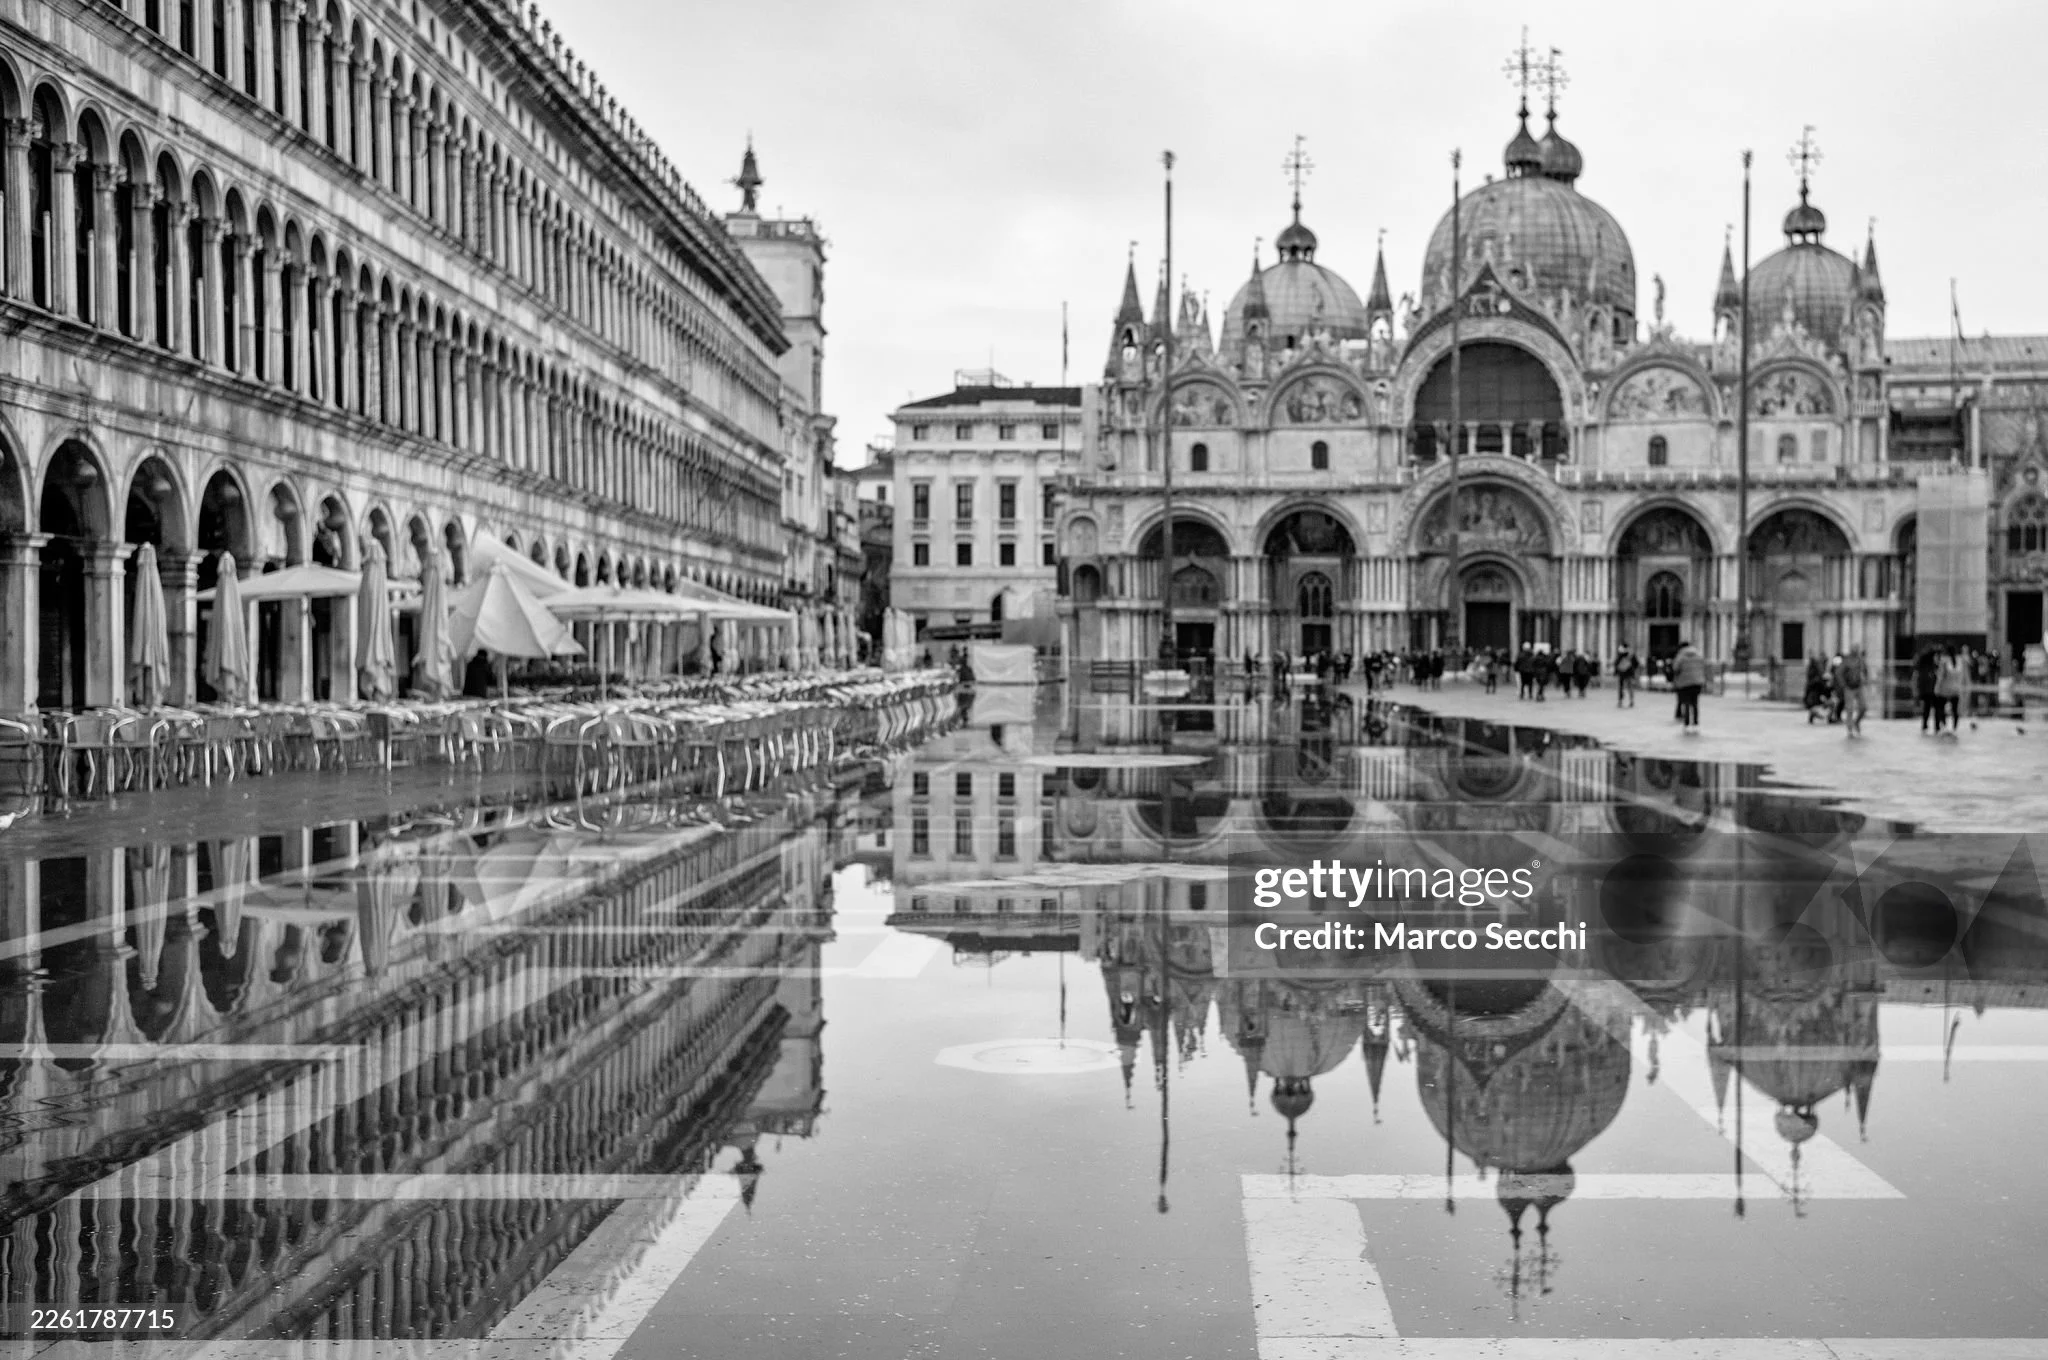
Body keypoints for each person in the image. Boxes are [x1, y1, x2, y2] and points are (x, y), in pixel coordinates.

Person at [1672, 639, 1706, 731]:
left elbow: (1675, 668)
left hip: (1684, 682)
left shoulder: (1680, 656)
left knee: (1686, 703)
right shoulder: (1698, 655)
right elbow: (1703, 666)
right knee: (1695, 703)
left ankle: (1686, 722)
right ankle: (1695, 722)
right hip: (1697, 682)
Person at [1838, 643, 1869, 737]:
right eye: (1854, 649)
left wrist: (1866, 679)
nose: (1855, 650)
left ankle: (1857, 722)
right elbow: (1839, 673)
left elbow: (1865, 670)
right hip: (1849, 687)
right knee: (1849, 709)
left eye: (1857, 649)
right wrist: (1843, 685)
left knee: (1863, 707)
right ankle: (1850, 729)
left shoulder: (1860, 659)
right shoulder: (1846, 660)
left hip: (1859, 686)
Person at [1934, 644, 1963, 735]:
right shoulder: (1959, 661)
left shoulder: (1944, 662)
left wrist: (1937, 687)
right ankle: (1954, 727)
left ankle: (1942, 725)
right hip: (1956, 689)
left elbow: (1940, 676)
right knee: (1955, 710)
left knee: (1940, 707)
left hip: (1945, 689)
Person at [1913, 644, 1941, 733]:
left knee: (1927, 707)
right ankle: (1936, 726)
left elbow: (1918, 678)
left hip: (1926, 690)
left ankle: (1925, 724)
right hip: (1932, 689)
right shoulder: (1931, 666)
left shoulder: (1923, 665)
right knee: (1936, 707)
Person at [1803, 654, 1829, 724]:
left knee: (1815, 703)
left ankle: (1814, 714)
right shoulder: (1816, 670)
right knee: (1814, 705)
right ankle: (1815, 714)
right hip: (1814, 692)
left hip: (1815, 691)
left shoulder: (1815, 669)